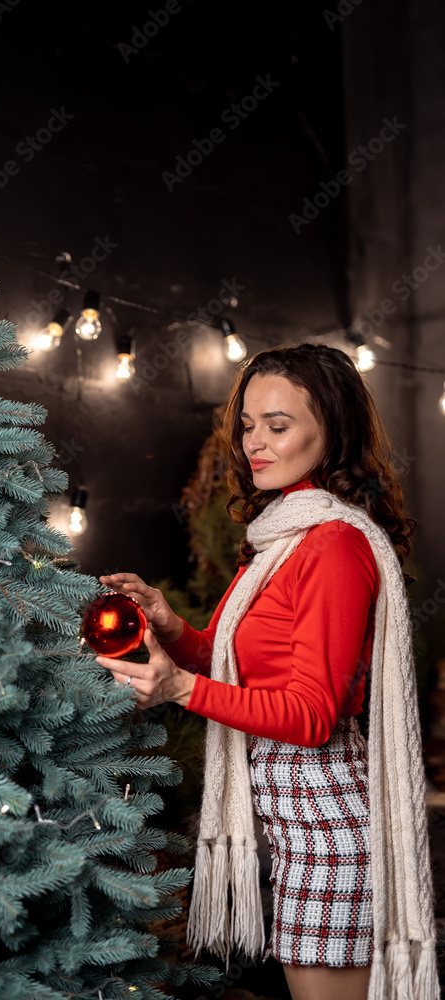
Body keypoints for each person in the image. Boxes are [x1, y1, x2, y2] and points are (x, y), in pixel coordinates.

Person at [95, 343, 438, 1000]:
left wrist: (179, 689)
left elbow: (308, 717)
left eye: (276, 425)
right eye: (247, 424)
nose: (253, 442)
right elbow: (243, 667)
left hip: (328, 825)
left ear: (331, 431)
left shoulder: (333, 545)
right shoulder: (283, 537)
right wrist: (172, 630)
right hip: (295, 818)